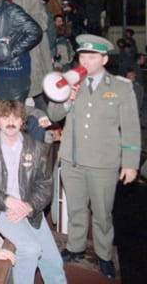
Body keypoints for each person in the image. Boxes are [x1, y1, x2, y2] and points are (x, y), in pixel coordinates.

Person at [47, 34, 141, 280]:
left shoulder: (121, 87)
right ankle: (76, 248)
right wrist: (67, 99)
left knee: (102, 214)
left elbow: (130, 126)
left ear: (104, 59)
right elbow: (53, 111)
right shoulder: (71, 82)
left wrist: (130, 164)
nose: (85, 61)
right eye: (82, 56)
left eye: (92, 56)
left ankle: (104, 255)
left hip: (103, 163)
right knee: (76, 210)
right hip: (72, 160)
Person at [0, 100, 66, 284]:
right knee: (30, 249)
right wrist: (7, 201)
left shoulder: (36, 147)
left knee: (54, 261)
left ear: (23, 121)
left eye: (16, 118)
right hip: (0, 209)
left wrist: (29, 206)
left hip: (30, 208)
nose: (11, 122)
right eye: (5, 117)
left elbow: (45, 185)